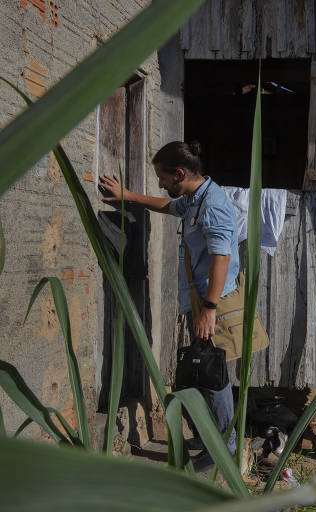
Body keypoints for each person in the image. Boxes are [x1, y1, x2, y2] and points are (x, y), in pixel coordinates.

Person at [99, 141, 239, 467]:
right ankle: (212, 439)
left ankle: (224, 449)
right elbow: (167, 206)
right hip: (202, 297)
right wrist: (129, 197)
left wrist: (209, 309)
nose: (161, 183)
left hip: (212, 299)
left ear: (179, 174)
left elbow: (222, 257)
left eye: (162, 177)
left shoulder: (213, 205)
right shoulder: (193, 198)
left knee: (213, 375)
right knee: (206, 375)